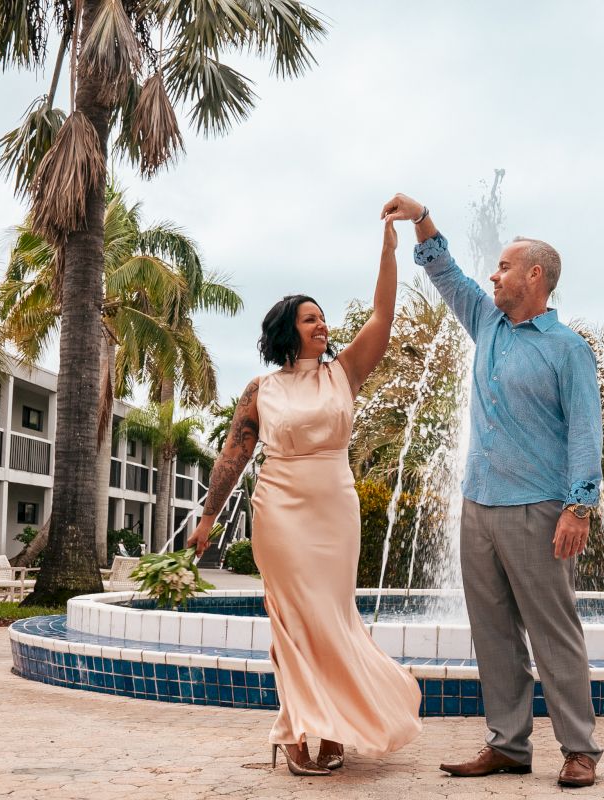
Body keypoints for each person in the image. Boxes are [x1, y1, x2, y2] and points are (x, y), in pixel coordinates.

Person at [381, 193, 604, 788]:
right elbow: (446, 274)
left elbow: (586, 431)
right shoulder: (486, 322)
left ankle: (579, 749)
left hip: (539, 507)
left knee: (553, 632)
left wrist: (580, 505)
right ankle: (508, 744)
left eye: (504, 267)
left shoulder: (568, 349)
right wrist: (422, 218)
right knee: (493, 633)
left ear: (535, 275)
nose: (492, 274)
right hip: (477, 505)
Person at [187, 220, 421, 776]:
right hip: (280, 509)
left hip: (335, 507)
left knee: (333, 618)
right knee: (293, 622)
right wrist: (209, 518)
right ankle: (297, 728)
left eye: (322, 318)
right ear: (288, 331)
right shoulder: (260, 391)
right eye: (310, 318)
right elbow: (233, 456)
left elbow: (381, 319)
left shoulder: (344, 373)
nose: (322, 325)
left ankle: (334, 721)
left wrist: (388, 252)